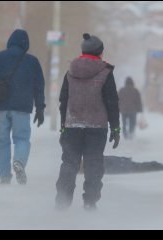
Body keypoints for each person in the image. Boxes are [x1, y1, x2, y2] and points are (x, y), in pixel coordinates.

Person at [56, 33, 120, 211]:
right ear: (100, 53)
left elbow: (64, 100)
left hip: (72, 126)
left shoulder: (70, 71)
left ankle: (62, 202)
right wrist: (115, 127)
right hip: (96, 128)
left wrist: (63, 125)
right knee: (93, 165)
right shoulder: (106, 72)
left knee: (69, 163)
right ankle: (90, 203)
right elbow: (112, 102)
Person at [0, 29, 46, 185]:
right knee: (22, 139)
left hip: (1, 107)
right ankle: (19, 162)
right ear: (25, 44)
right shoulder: (32, 61)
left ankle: (4, 176)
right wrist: (40, 108)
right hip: (22, 108)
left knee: (2, 142)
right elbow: (39, 86)